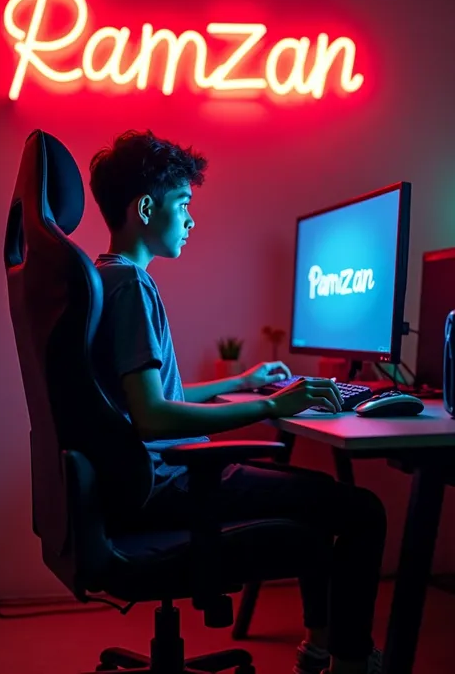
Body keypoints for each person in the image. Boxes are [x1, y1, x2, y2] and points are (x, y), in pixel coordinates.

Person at [90, 129, 386, 674]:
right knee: (359, 509)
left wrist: (248, 382)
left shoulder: (106, 279)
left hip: (148, 480)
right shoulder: (132, 287)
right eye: (184, 204)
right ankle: (349, 658)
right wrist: (272, 407)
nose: (191, 219)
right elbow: (154, 417)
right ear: (146, 207)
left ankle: (322, 643)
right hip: (173, 482)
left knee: (316, 501)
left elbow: (149, 399)